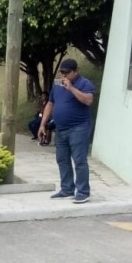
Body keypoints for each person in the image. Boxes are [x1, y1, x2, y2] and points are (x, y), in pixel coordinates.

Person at [39, 58, 96, 204]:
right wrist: (43, 124)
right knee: (62, 159)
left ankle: (83, 191)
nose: (63, 75)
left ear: (75, 71)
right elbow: (51, 103)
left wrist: (71, 88)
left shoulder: (84, 83)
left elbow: (88, 100)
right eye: (61, 72)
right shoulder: (57, 84)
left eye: (66, 72)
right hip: (61, 129)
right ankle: (67, 189)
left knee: (79, 160)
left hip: (79, 128)